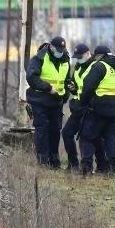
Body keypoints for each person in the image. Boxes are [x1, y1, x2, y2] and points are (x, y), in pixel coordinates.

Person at [78, 45, 115, 176]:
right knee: (111, 138)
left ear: (99, 56)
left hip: (98, 107)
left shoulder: (99, 66)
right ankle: (112, 169)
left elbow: (88, 87)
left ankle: (87, 168)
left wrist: (84, 103)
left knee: (87, 136)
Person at [25, 35, 72, 168]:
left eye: (62, 50)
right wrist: (48, 87)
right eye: (57, 49)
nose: (60, 52)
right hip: (39, 100)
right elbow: (31, 77)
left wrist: (66, 95)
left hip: (56, 102)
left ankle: (54, 161)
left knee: (55, 130)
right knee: (42, 129)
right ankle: (43, 161)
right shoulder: (39, 58)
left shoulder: (65, 60)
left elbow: (67, 80)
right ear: (51, 47)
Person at [60, 43, 95, 172]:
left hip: (89, 108)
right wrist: (72, 87)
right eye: (77, 57)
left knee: (88, 137)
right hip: (78, 107)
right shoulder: (78, 68)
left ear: (88, 53)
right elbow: (76, 87)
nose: (79, 59)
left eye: (81, 56)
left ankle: (90, 167)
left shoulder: (94, 67)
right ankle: (73, 164)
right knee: (67, 133)